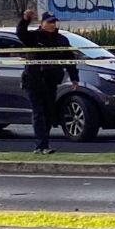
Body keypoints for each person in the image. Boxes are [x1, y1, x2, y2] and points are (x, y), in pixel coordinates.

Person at [17, 10, 80, 154]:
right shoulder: (33, 37)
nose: (52, 24)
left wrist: (74, 77)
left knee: (48, 113)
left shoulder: (61, 40)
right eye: (49, 22)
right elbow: (21, 33)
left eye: (54, 22)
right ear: (42, 23)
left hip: (51, 81)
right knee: (38, 113)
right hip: (34, 80)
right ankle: (41, 146)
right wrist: (25, 20)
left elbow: (69, 59)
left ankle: (45, 144)